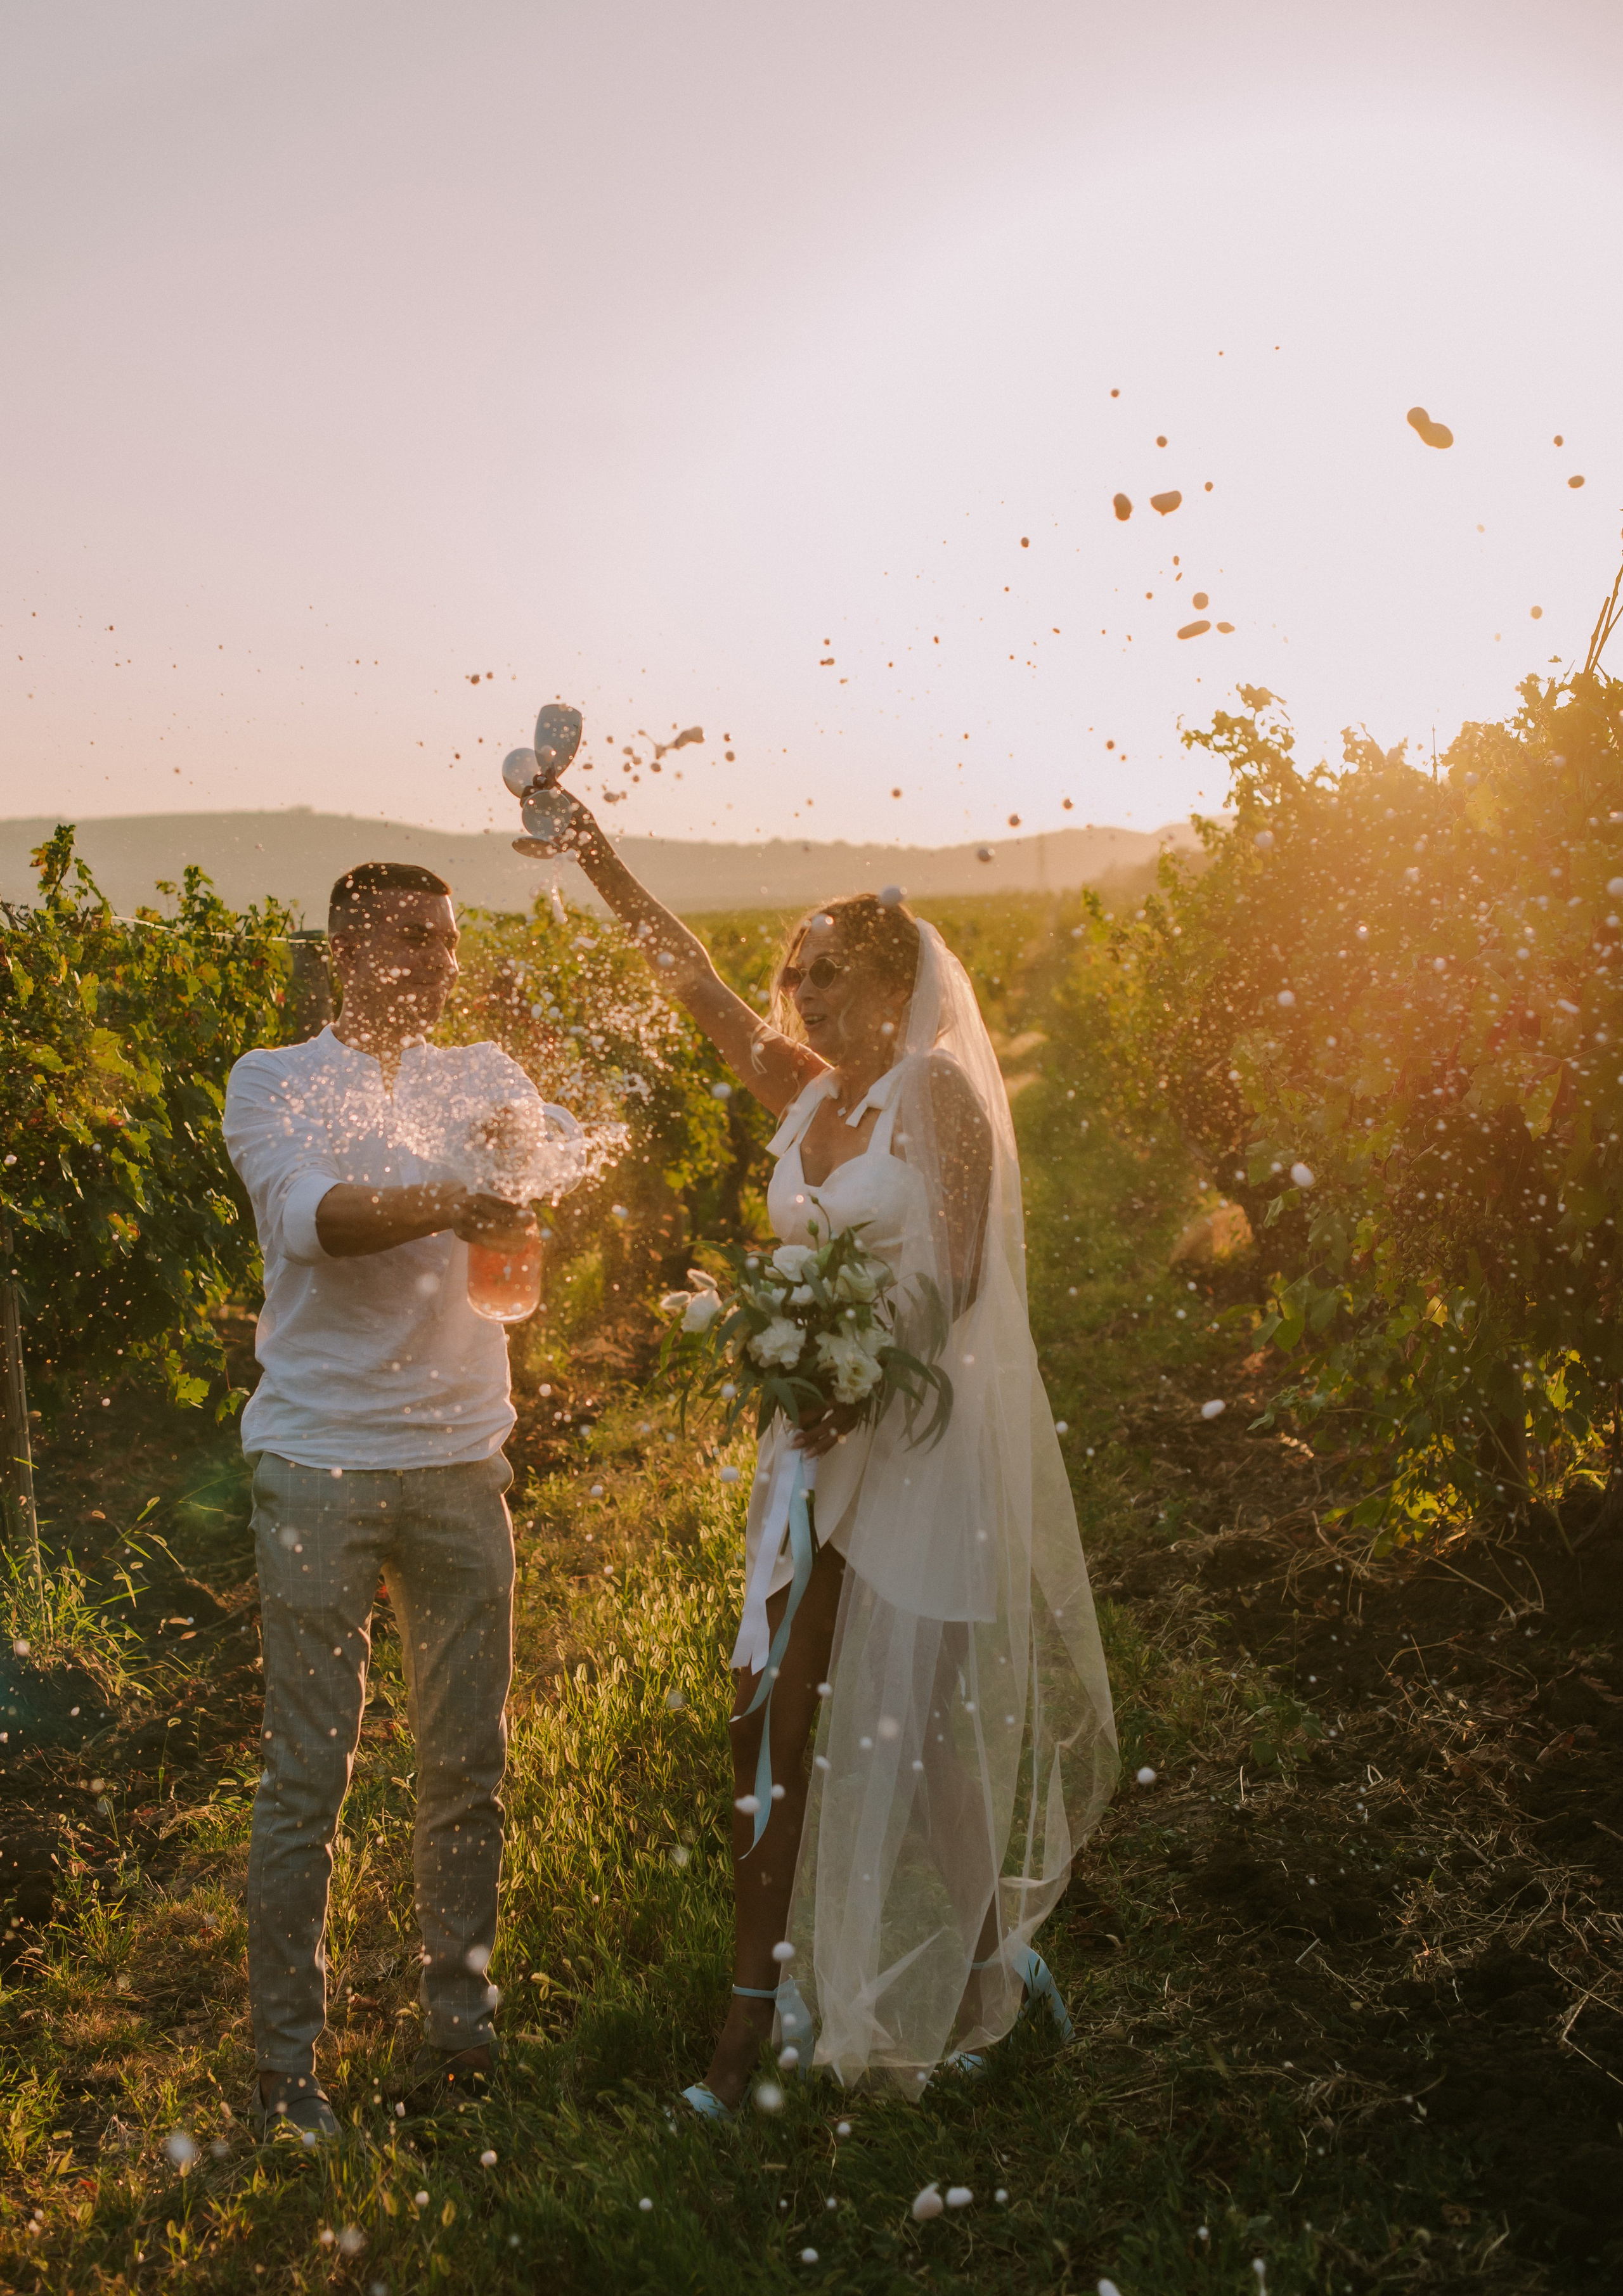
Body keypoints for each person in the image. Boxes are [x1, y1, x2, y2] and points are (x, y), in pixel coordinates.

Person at [543, 799, 1118, 2109]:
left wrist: (854, 1377)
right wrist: (594, 855)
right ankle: (749, 2013)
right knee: (765, 1714)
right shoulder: (805, 1094)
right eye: (796, 972)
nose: (801, 993)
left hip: (907, 1433)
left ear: (898, 984)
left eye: (830, 972)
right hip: (806, 1442)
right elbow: (691, 977)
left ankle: (992, 1960)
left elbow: (958, 1274)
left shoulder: (937, 1092)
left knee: (918, 1739)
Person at [223, 861, 578, 2137]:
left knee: (466, 1761)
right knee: (306, 1773)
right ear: (347, 948)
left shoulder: (482, 1072)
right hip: (318, 1459)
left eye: (446, 939)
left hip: (460, 1455)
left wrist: (533, 1171)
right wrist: (453, 1200)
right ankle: (285, 2071)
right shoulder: (274, 1079)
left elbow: (547, 1166)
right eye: (413, 939)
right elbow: (309, 1218)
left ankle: (459, 2030)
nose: (438, 961)